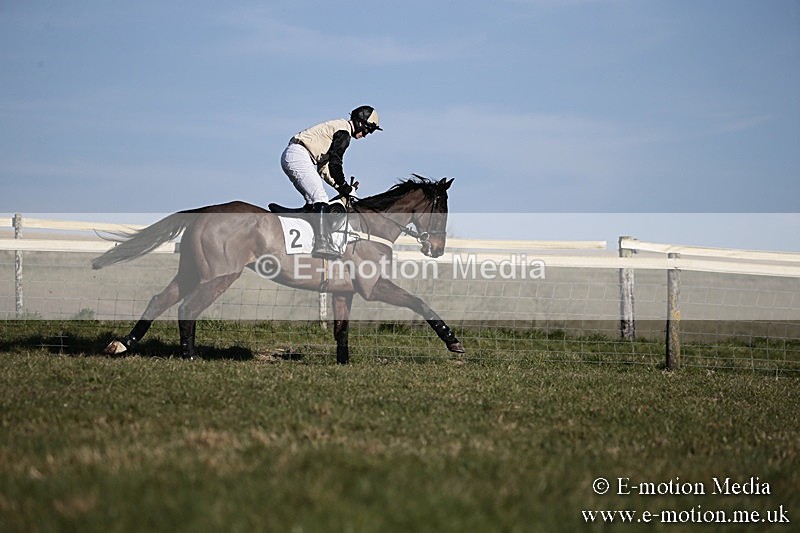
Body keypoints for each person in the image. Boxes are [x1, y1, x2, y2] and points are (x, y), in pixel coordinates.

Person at [280, 105, 382, 259]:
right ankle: (322, 243)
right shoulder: (344, 133)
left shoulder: (339, 129)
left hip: (297, 155)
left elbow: (324, 169)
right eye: (368, 130)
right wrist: (343, 185)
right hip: (300, 155)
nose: (366, 135)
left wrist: (341, 188)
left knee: (313, 201)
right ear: (361, 123)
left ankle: (305, 238)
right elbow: (335, 162)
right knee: (320, 198)